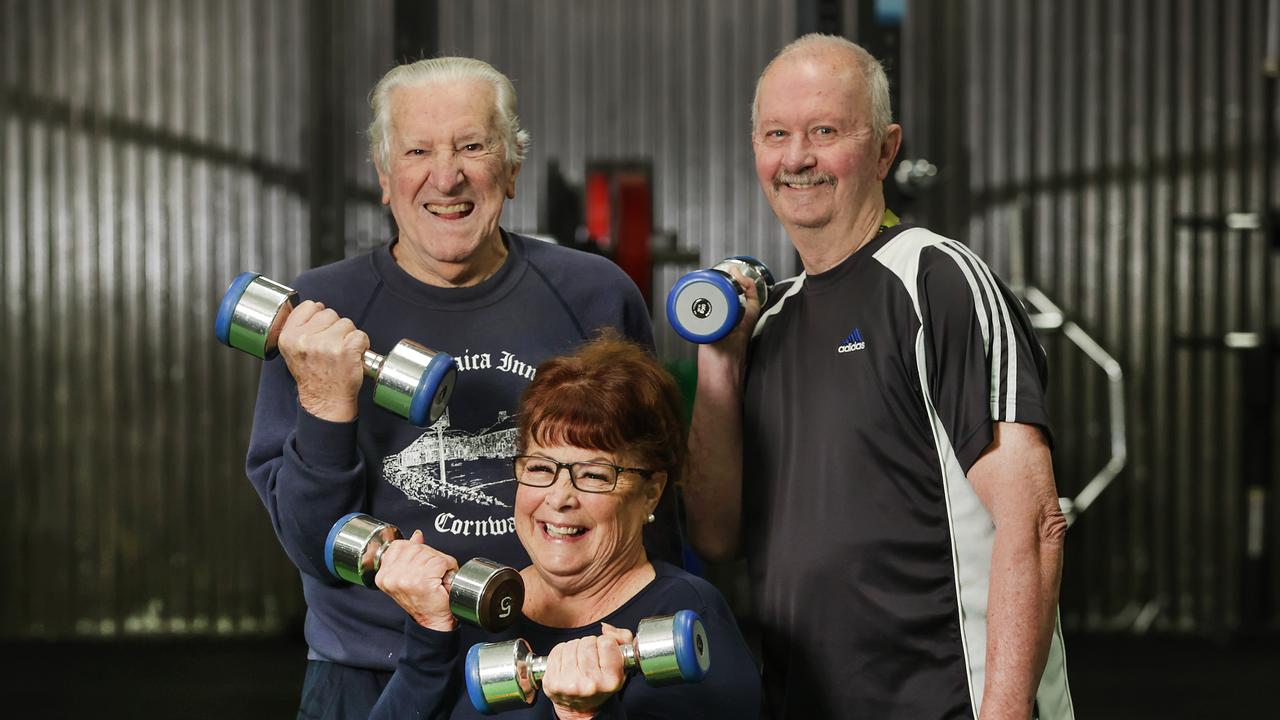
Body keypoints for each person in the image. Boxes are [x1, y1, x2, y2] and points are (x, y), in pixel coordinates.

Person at [244, 57, 668, 719]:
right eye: (418, 151)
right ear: (385, 177)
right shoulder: (318, 316)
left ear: (513, 167)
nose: (448, 176)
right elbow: (311, 545)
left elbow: (648, 494)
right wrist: (328, 401)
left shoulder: (594, 294)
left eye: (473, 146)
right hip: (369, 674)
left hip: (556, 667)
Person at [682, 34, 1074, 719]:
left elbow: (1036, 522)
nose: (796, 157)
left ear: (886, 149)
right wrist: (720, 359)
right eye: (777, 134)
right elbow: (717, 536)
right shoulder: (771, 326)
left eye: (824, 131)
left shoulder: (936, 281)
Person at [368, 335, 761, 719]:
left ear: (650, 494)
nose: (559, 498)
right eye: (540, 468)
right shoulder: (478, 611)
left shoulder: (689, 619)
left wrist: (586, 716)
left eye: (594, 475)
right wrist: (429, 632)